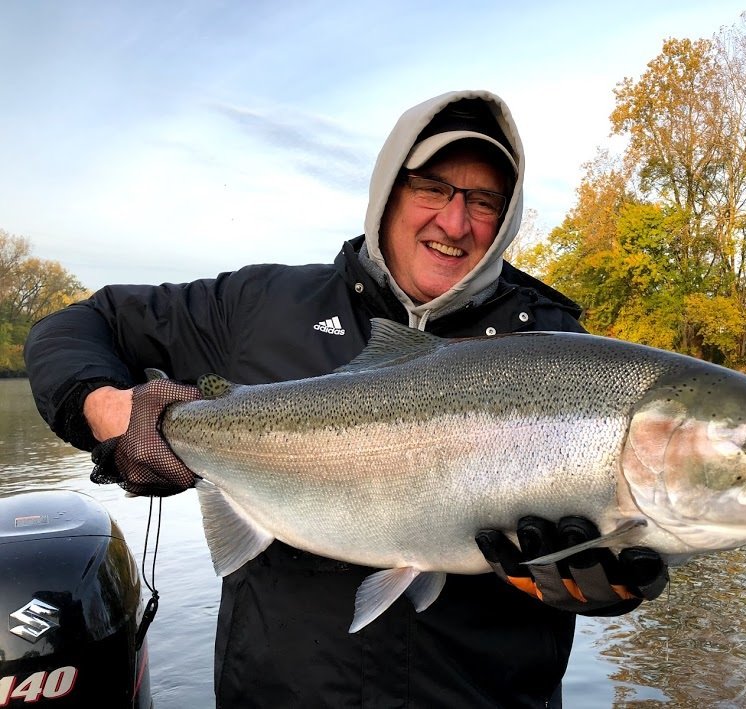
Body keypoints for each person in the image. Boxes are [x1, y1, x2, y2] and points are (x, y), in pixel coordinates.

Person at [25, 90, 668, 707]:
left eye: (483, 200)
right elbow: (79, 323)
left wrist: (608, 584)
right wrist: (108, 412)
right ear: (388, 191)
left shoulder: (563, 352)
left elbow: (626, 542)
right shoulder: (259, 306)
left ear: (507, 220)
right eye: (432, 188)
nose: (455, 221)